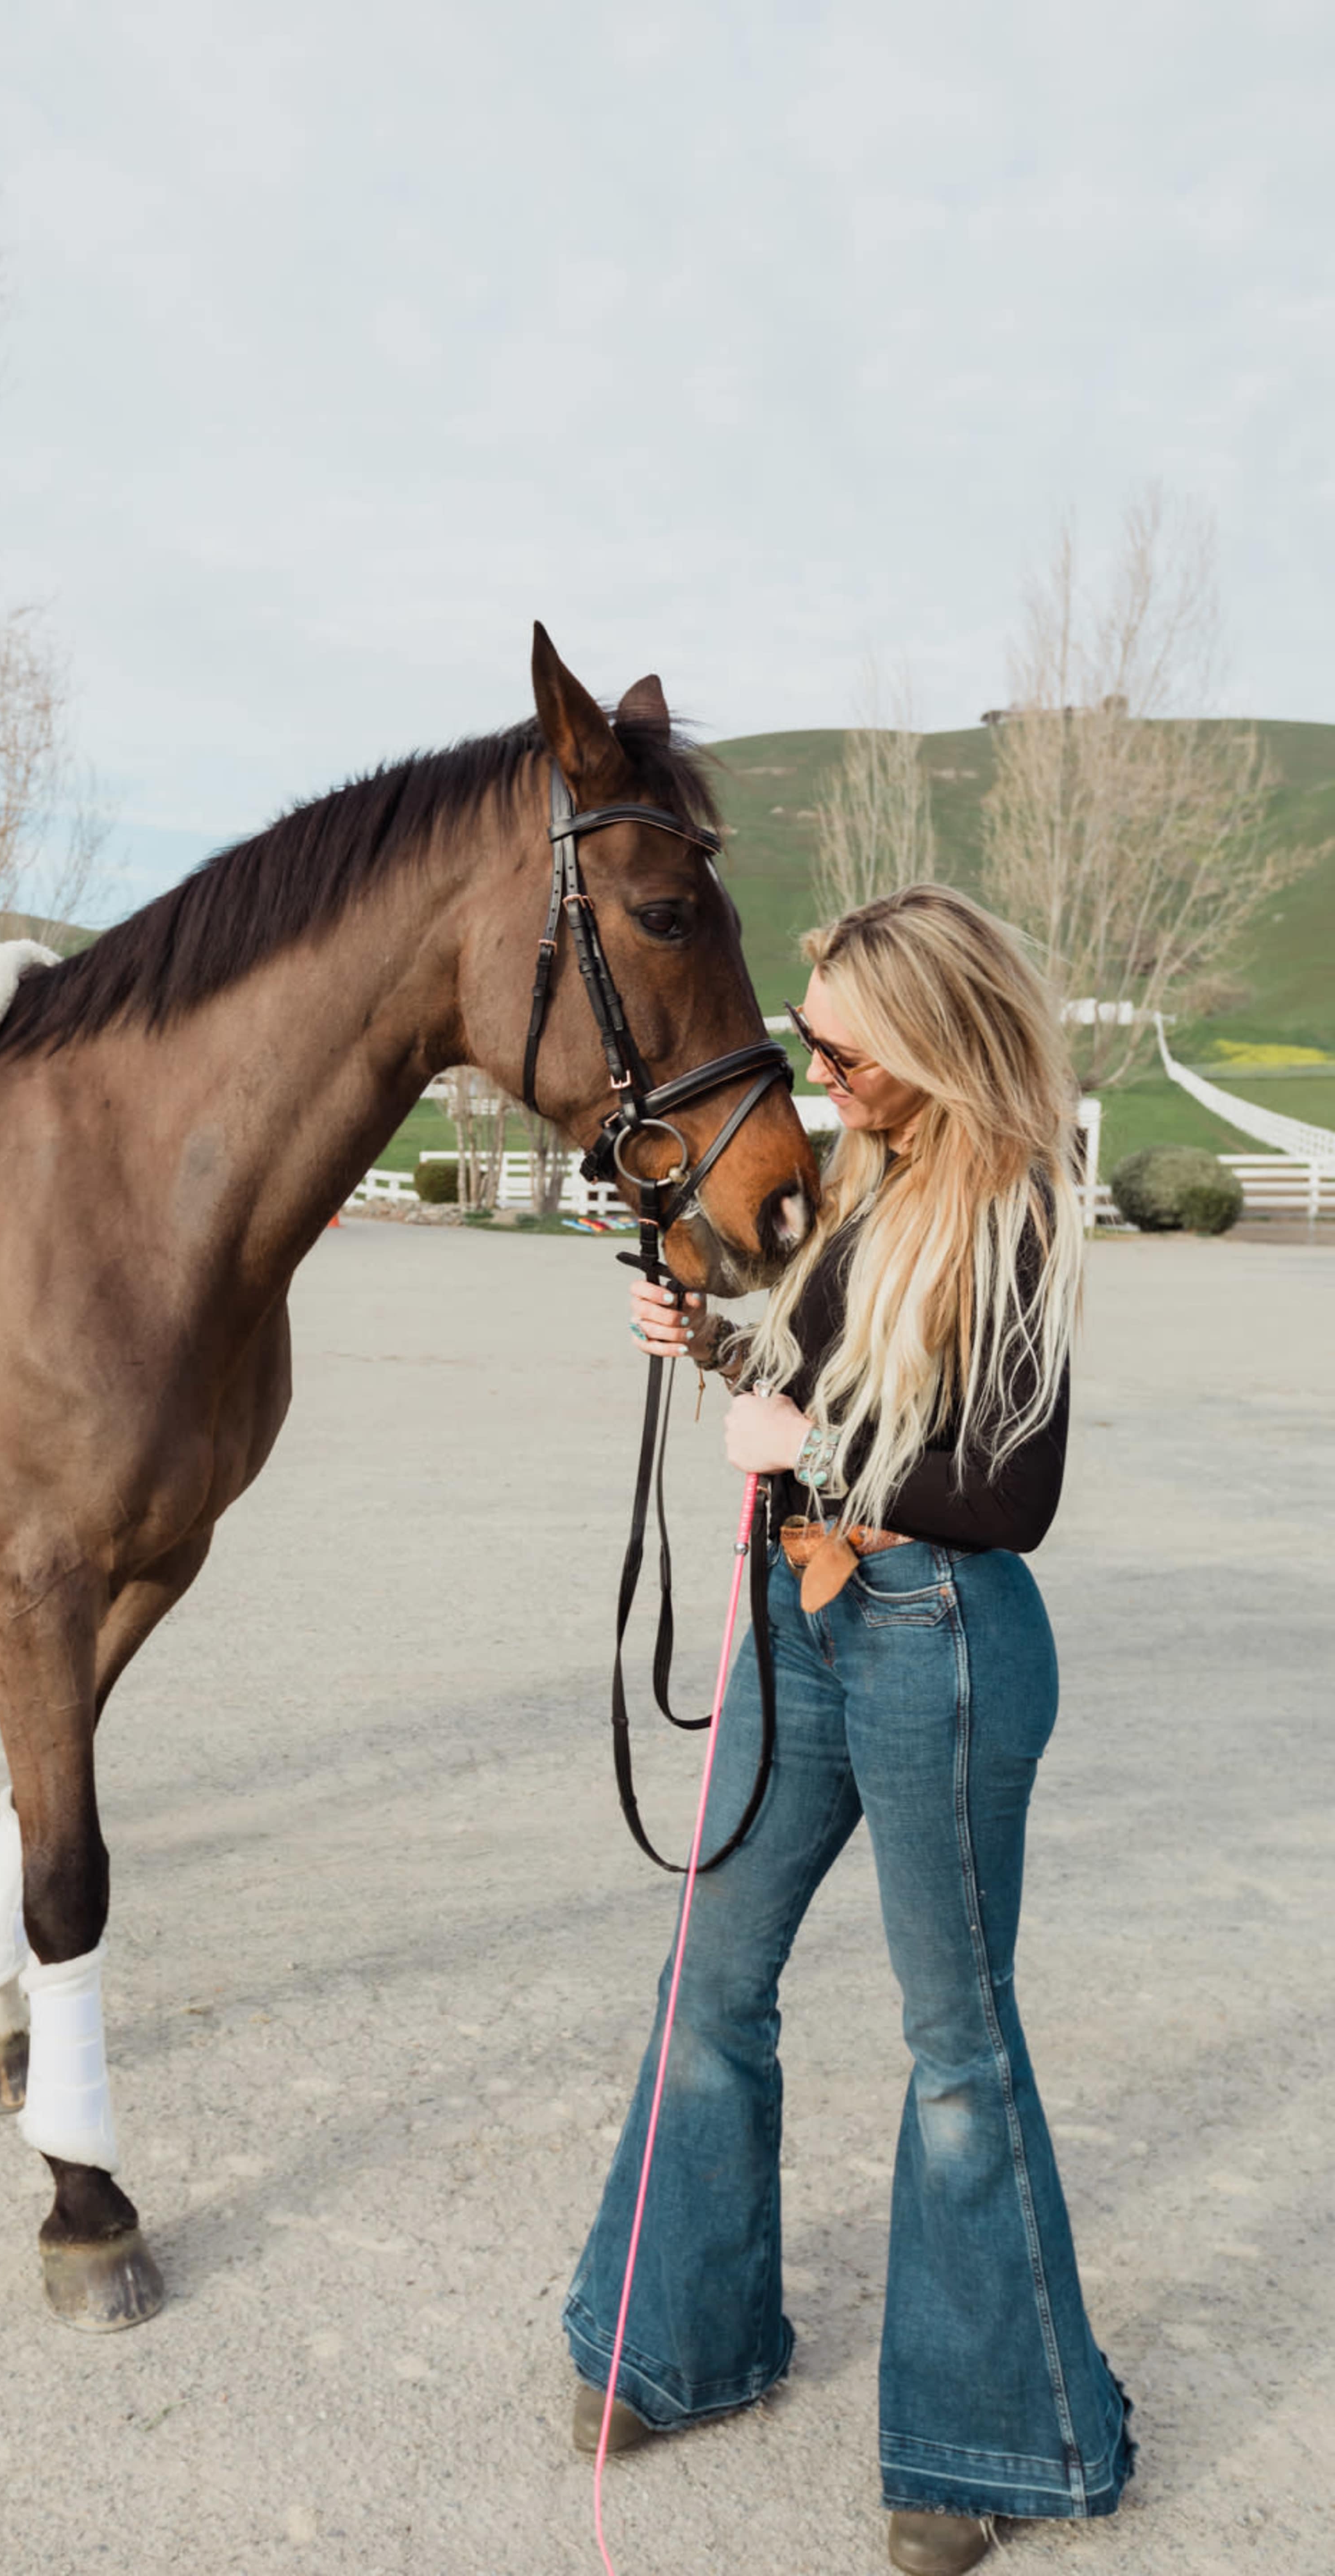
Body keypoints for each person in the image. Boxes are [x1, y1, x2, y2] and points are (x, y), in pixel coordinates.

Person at [562, 885, 1133, 2576]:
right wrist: (716, 1339)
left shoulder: (1012, 1204)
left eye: (841, 1046)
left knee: (958, 2051)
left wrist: (796, 1448)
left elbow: (1013, 1494)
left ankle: (982, 2445)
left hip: (941, 1643)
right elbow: (814, 1389)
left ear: (930, 1036)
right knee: (710, 1982)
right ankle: (675, 2344)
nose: (821, 1072)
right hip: (801, 1624)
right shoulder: (861, 1185)